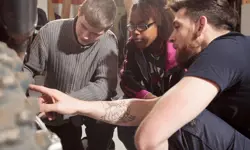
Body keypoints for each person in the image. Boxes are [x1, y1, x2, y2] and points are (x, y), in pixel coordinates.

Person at [29, 0, 250, 149]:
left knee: (179, 118)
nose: (171, 37)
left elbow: (149, 135)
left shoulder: (224, 50)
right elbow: (144, 106)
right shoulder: (227, 51)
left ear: (201, 26)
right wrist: (75, 104)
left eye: (177, 27)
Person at [23, 0, 118, 150]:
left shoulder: (109, 42)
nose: (86, 36)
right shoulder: (49, 31)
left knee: (103, 129)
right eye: (84, 26)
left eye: (95, 33)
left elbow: (104, 86)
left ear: (107, 29)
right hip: (58, 110)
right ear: (79, 11)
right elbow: (28, 68)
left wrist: (67, 99)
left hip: (91, 105)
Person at [118, 0, 184, 149]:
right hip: (148, 101)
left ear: (159, 23)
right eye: (132, 26)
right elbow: (126, 79)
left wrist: (162, 103)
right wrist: (147, 97)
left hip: (174, 107)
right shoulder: (132, 46)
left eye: (142, 25)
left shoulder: (176, 50)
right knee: (125, 126)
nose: (135, 32)